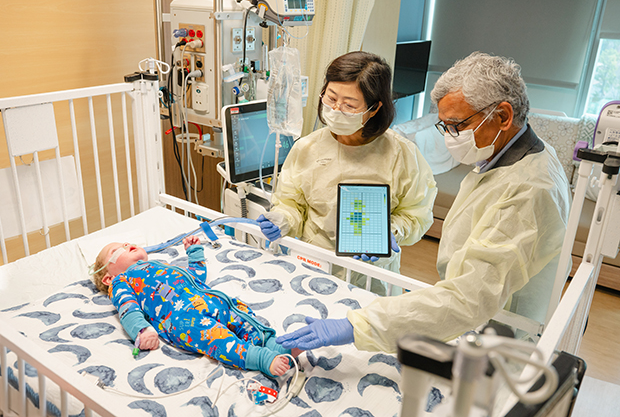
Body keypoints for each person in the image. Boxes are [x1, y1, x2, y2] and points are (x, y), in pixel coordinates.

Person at [275, 51, 572, 353]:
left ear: (504, 116)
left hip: (501, 334)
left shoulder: (529, 189)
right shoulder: (504, 159)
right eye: (444, 126)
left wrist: (359, 325)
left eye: (456, 125)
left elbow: (468, 296)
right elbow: (289, 201)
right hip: (314, 270)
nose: (449, 137)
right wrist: (281, 218)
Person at [257, 51, 437, 294]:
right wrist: (283, 218)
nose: (336, 109)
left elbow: (416, 213)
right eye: (331, 98)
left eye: (349, 105)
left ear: (374, 109)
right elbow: (291, 202)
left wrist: (389, 234)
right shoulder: (307, 148)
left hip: (372, 274)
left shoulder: (401, 154)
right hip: (313, 264)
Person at [91, 236, 294, 377]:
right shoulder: (122, 281)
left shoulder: (159, 266)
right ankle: (259, 358)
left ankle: (271, 343)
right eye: (116, 249)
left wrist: (194, 254)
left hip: (210, 299)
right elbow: (128, 308)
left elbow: (194, 279)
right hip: (184, 318)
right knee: (218, 339)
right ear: (109, 277)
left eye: (128, 243)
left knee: (240, 315)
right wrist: (142, 330)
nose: (128, 245)